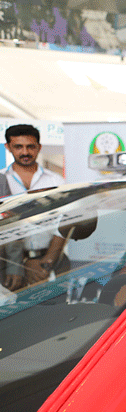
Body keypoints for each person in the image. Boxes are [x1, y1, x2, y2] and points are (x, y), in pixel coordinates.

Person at [2, 124, 66, 290]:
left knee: (58, 311)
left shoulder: (55, 181)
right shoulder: (2, 181)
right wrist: (17, 264)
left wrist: (48, 260)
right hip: (9, 265)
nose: (25, 152)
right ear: (7, 147)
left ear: (39, 147)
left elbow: (66, 220)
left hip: (52, 261)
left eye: (30, 146)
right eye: (18, 147)